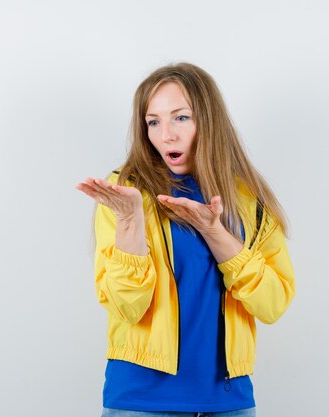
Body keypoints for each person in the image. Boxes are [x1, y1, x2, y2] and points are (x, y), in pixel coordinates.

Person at [76, 62, 296, 417]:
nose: (167, 135)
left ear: (208, 121)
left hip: (228, 403)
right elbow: (126, 306)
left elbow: (273, 304)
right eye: (153, 121)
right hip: (140, 402)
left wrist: (215, 233)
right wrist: (130, 220)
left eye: (180, 118)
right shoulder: (125, 193)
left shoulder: (249, 201)